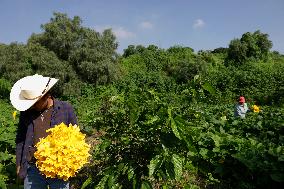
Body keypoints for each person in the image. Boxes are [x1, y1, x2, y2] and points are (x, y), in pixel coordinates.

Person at [10, 74, 77, 189]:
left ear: (47, 95)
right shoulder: (27, 112)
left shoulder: (66, 108)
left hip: (59, 169)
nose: (32, 106)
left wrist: (71, 163)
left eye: (36, 103)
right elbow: (20, 139)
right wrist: (19, 164)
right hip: (33, 169)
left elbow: (76, 136)